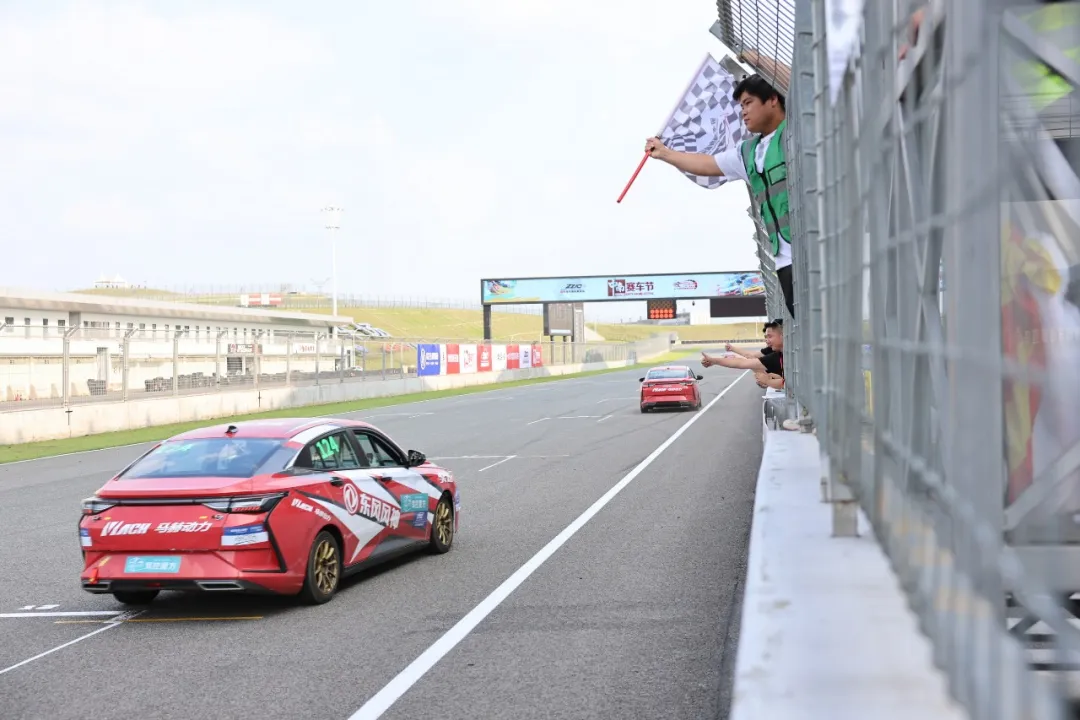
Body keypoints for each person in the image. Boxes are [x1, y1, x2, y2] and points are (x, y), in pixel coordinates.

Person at [644, 74, 794, 318]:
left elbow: (804, 82)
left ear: (773, 99)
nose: (743, 112)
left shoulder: (797, 132)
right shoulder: (748, 151)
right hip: (785, 261)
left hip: (814, 249)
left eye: (748, 103)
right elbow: (708, 164)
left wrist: (754, 58)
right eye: (741, 106)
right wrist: (665, 153)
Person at [700, 318, 785, 378]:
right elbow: (747, 360)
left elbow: (745, 360)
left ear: (783, 335)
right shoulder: (775, 353)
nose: (766, 340)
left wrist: (714, 360)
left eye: (770, 336)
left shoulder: (777, 355)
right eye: (766, 337)